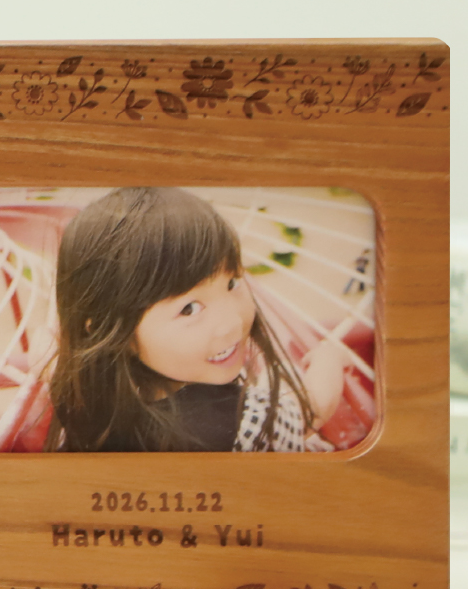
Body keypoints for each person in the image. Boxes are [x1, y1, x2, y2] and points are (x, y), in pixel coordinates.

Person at [45, 187, 345, 453]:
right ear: (113, 334)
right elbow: (312, 410)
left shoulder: (87, 406)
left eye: (232, 283)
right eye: (189, 309)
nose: (232, 323)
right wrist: (329, 361)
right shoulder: (243, 423)